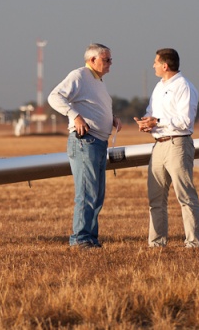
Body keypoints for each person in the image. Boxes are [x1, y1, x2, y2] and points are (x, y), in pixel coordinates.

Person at [48, 43, 122, 249]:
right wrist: (75, 116)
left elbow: (94, 106)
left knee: (97, 194)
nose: (110, 64)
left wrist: (112, 118)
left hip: (99, 143)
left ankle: (91, 238)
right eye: (106, 60)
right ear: (92, 60)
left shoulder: (98, 81)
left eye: (110, 60)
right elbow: (54, 97)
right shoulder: (79, 76)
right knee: (87, 192)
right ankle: (80, 239)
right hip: (85, 142)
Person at [134, 48, 199, 248]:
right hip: (158, 145)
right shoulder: (158, 87)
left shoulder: (185, 87)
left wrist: (157, 121)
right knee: (155, 197)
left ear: (165, 65)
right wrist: (146, 122)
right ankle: (156, 243)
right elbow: (152, 113)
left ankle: (195, 242)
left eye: (155, 62)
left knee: (185, 195)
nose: (153, 66)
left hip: (178, 144)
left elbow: (185, 121)